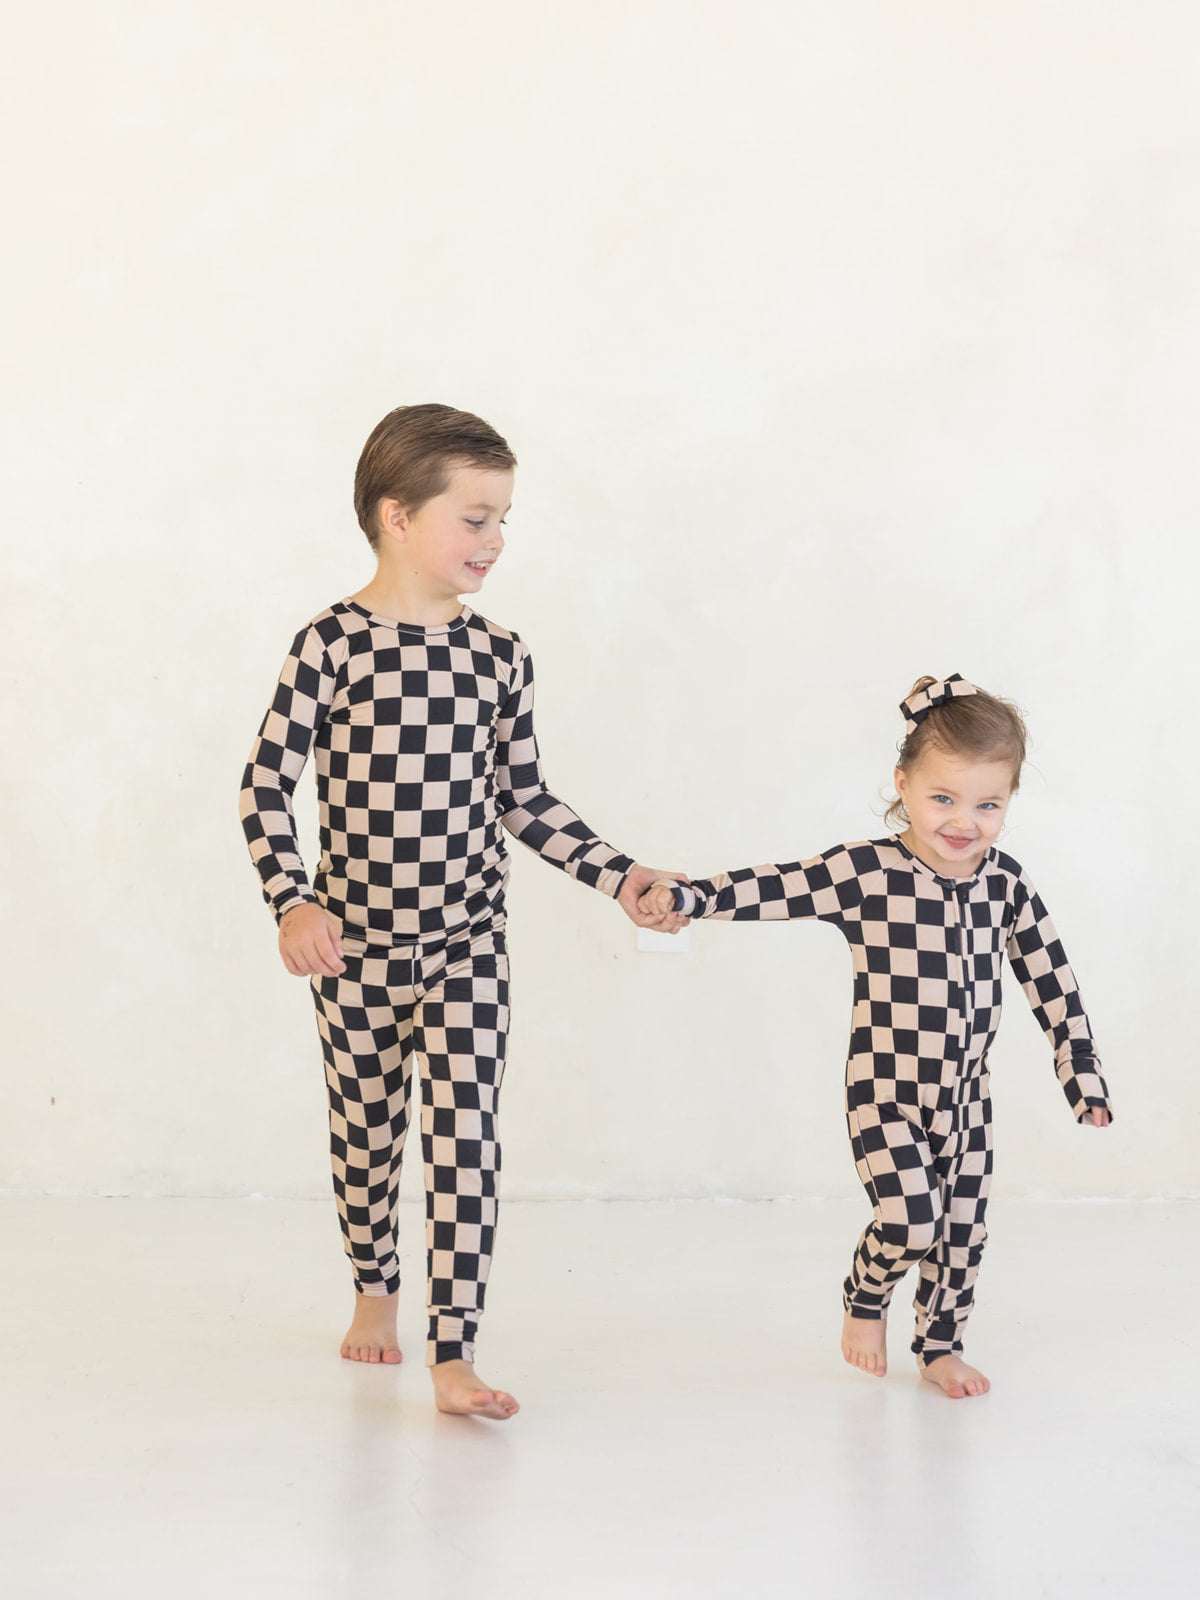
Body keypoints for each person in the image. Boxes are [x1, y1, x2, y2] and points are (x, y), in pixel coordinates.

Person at [239, 403, 685, 1420]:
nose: (495, 540)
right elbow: (264, 784)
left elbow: (524, 799)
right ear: (397, 516)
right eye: (475, 518)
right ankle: (374, 1288)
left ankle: (455, 1351)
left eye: (504, 521)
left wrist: (619, 876)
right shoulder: (331, 645)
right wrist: (292, 900)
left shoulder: (499, 655)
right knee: (366, 1135)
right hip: (355, 951)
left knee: (466, 1137)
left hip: (468, 945)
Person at [638, 674, 1111, 1399]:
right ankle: (865, 1297)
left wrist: (1081, 1073)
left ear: (1010, 799)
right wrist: (691, 897)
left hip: (967, 1101)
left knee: (963, 1233)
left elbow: (1053, 980)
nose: (964, 821)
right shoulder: (867, 873)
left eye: (988, 804)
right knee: (911, 1221)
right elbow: (776, 885)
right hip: (884, 1094)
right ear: (903, 784)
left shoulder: (1007, 885)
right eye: (943, 798)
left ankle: (940, 1346)